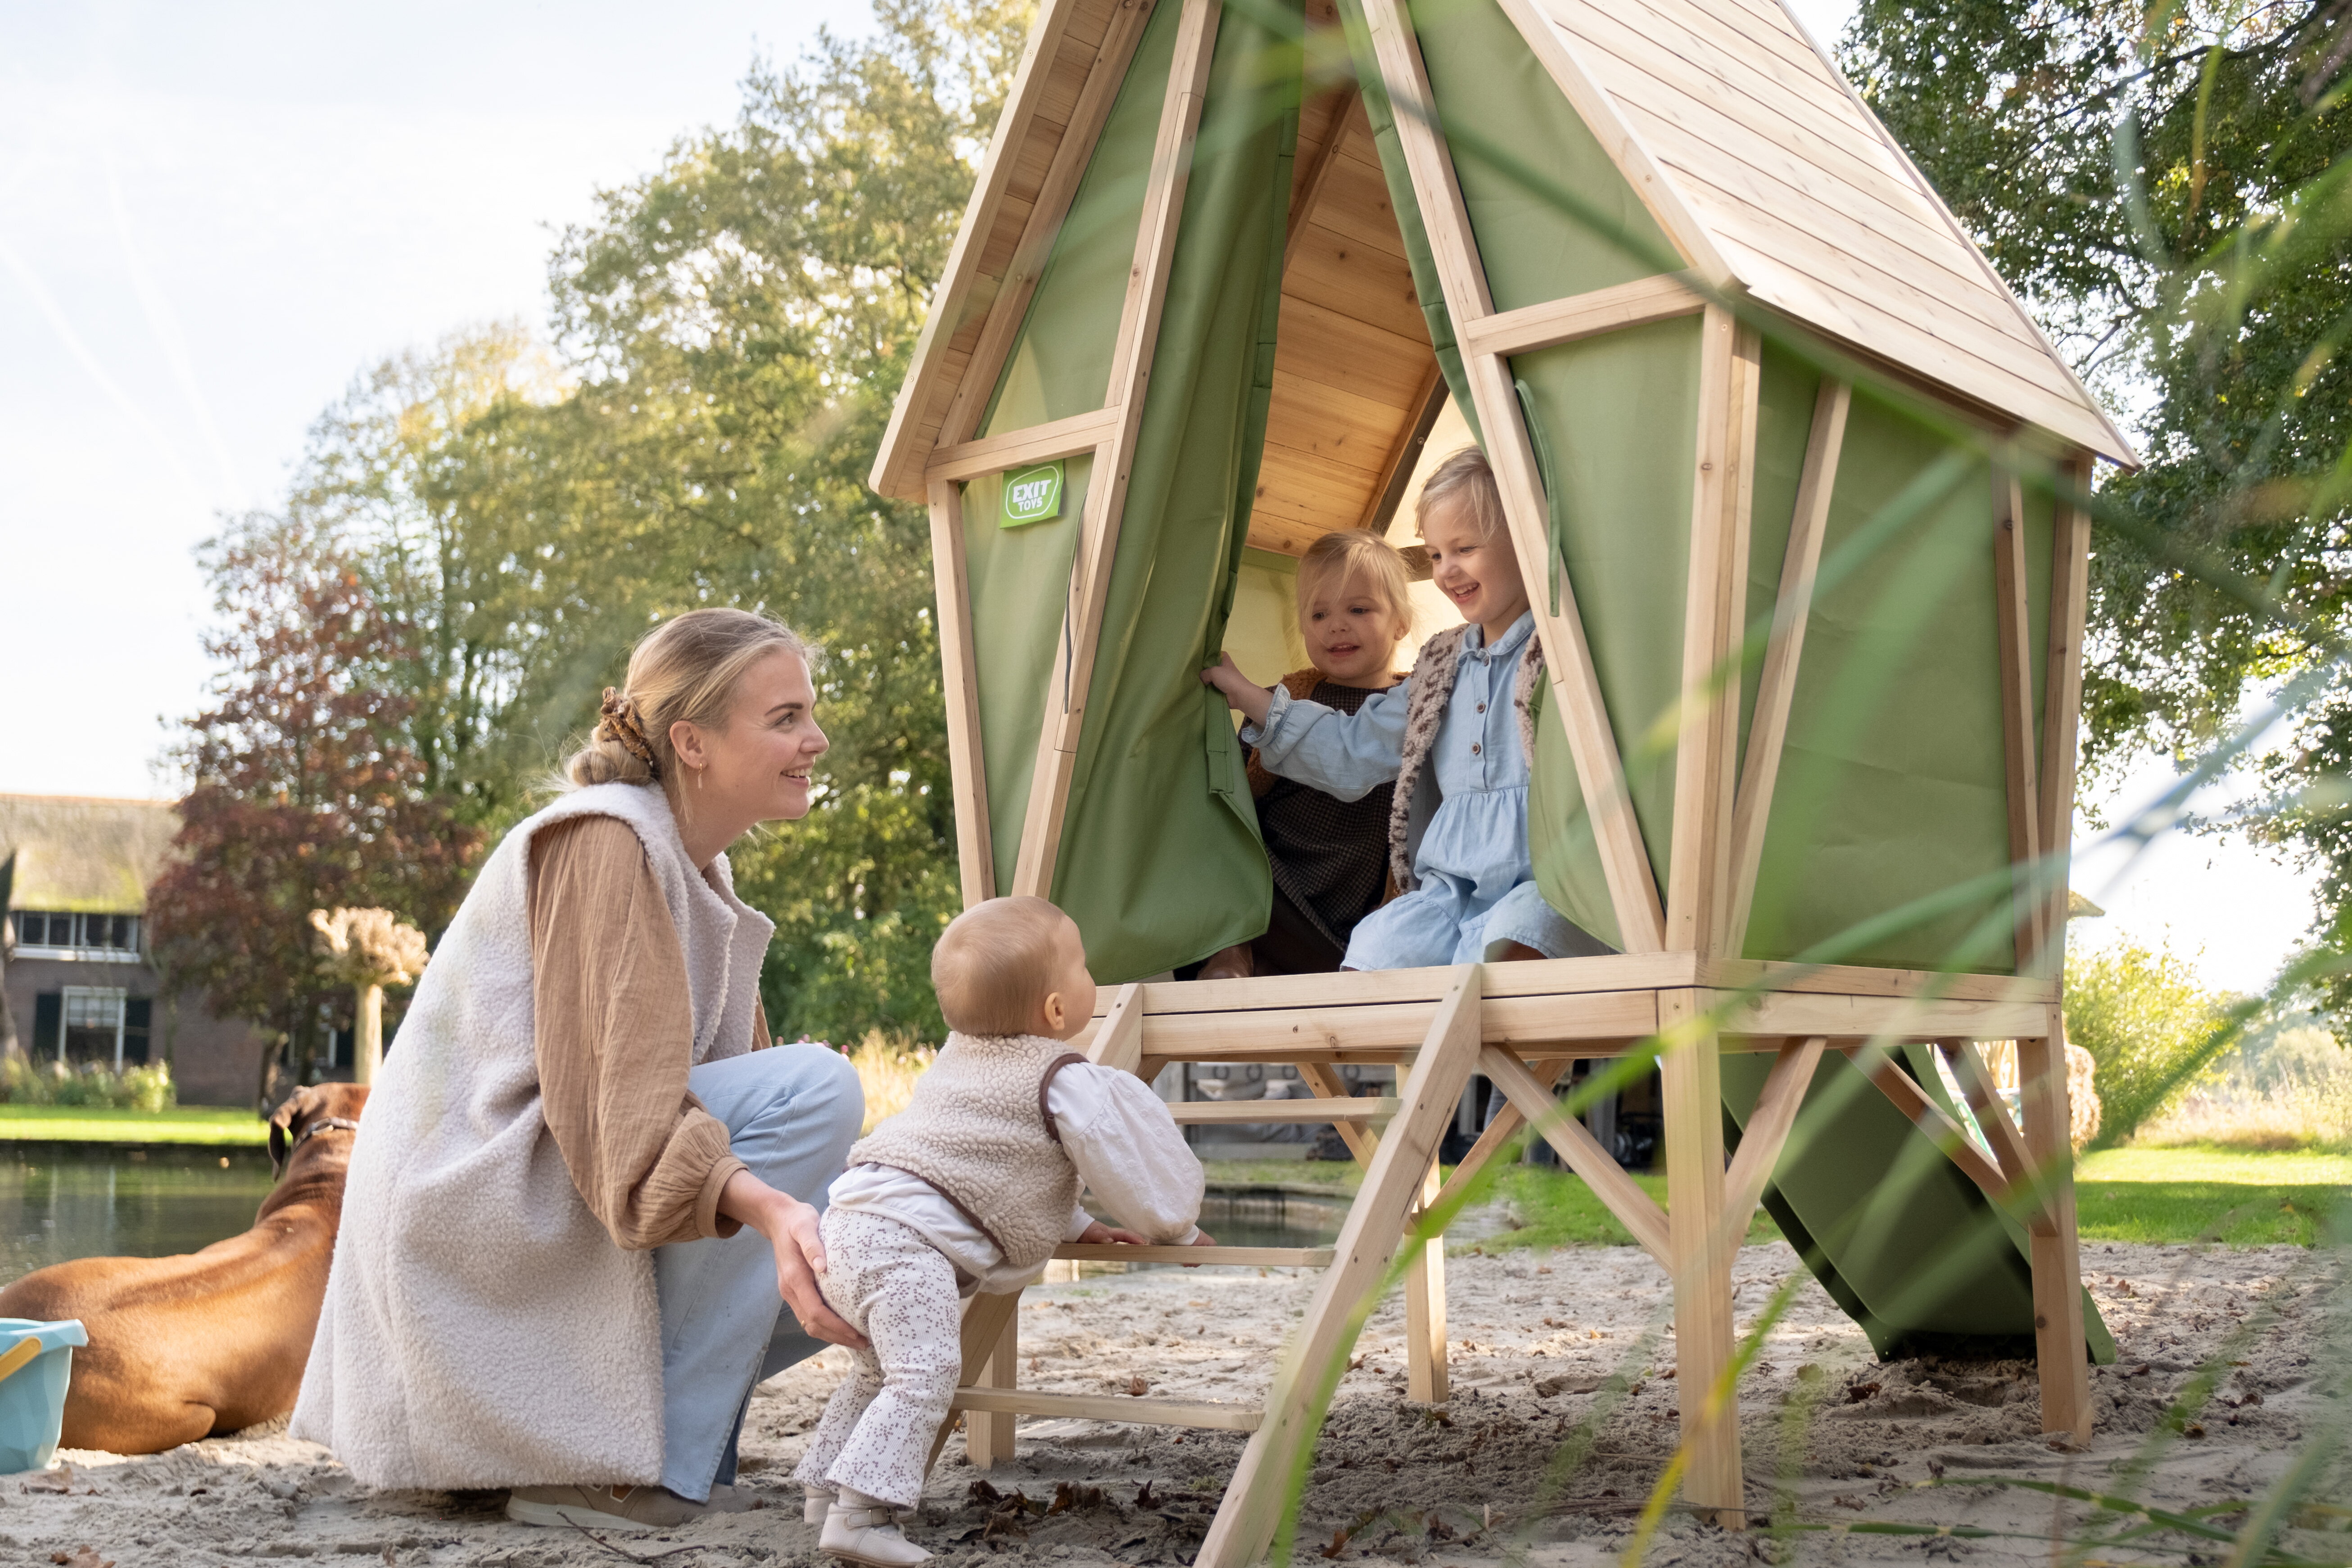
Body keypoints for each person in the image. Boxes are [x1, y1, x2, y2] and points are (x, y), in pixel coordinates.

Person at [293, 609, 870, 1534]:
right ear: (692, 741)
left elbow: (673, 1107)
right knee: (820, 1092)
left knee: (893, 1237)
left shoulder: (688, 865)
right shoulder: (603, 841)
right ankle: (616, 1469)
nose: (817, 738)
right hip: (476, 1206)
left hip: (565, 1178)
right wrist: (763, 1202)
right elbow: (612, 1110)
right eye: (786, 716)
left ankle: (658, 1442)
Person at [796, 896, 1214, 1566]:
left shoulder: (959, 1057)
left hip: (848, 1220)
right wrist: (1179, 1228)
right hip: (904, 1242)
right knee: (926, 1372)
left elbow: (997, 1162)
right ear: (1055, 1010)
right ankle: (861, 1516)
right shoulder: (1061, 1074)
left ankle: (823, 1490)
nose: (1090, 974)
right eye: (1081, 963)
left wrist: (1079, 1223)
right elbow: (1112, 1156)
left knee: (879, 1370)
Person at [1202, 447, 1602, 968]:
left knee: (1506, 946)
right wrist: (1247, 696)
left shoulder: (1560, 651)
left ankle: (1477, 1045)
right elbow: (1352, 747)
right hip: (1450, 892)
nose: (1447, 571)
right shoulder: (1439, 666)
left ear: (1527, 538)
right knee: (1377, 949)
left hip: (1545, 884)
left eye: (1464, 548)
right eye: (1436, 556)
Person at [1196, 528, 1414, 981]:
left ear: (1400, 621)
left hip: (1352, 911)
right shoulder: (1285, 699)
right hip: (1275, 885)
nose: (1335, 625)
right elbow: (1237, 798)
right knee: (1228, 853)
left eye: (1358, 609)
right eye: (1318, 614)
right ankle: (1232, 950)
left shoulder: (1414, 706)